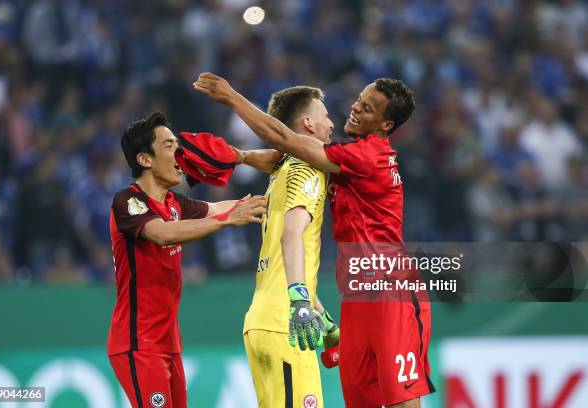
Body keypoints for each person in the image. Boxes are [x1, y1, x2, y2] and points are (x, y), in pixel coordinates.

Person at [194, 73, 435, 407]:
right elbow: (283, 154)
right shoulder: (346, 154)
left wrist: (232, 97)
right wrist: (240, 156)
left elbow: (284, 139)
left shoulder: (366, 158)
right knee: (361, 399)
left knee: (400, 397)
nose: (354, 110)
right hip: (357, 297)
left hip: (391, 291)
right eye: (359, 99)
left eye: (367, 109)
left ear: (385, 125)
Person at [107, 111, 265, 408]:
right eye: (169, 145)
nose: (179, 152)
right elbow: (162, 234)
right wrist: (227, 221)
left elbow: (221, 207)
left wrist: (275, 200)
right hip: (138, 343)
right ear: (145, 160)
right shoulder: (128, 201)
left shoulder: (174, 202)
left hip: (168, 343)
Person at [234, 86, 340, 408]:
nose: (332, 124)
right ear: (308, 123)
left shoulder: (281, 172)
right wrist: (299, 304)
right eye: (325, 116)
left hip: (264, 323)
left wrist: (330, 329)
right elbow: (291, 235)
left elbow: (291, 263)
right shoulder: (308, 168)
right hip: (288, 326)